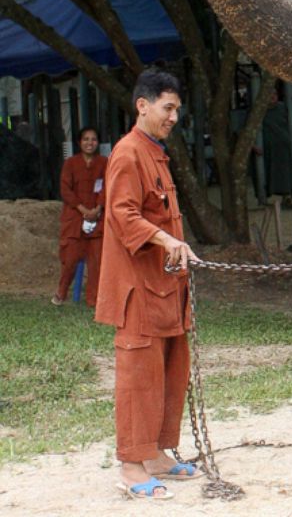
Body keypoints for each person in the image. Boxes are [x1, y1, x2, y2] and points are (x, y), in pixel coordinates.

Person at [95, 69, 201, 500]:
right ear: (143, 105)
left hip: (167, 289)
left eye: (177, 109)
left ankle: (156, 453)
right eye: (168, 108)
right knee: (139, 376)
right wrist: (166, 239)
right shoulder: (127, 154)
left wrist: (176, 245)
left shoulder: (155, 153)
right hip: (138, 292)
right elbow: (122, 214)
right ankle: (131, 466)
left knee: (169, 372)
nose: (174, 117)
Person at [53, 127, 107, 306]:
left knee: (97, 262)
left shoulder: (104, 163)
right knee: (70, 259)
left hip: (98, 219)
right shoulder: (70, 163)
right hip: (75, 218)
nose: (89, 143)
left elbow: (108, 187)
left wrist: (98, 208)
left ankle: (94, 300)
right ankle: (61, 293)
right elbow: (65, 191)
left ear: (98, 143)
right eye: (86, 139)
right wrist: (84, 210)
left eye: (93, 139)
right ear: (79, 142)